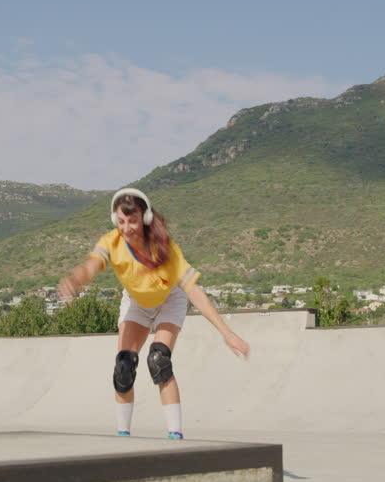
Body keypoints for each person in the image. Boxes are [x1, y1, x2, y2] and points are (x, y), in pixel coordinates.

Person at [58, 188, 250, 439]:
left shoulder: (165, 250)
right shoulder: (111, 242)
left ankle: (174, 434)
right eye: (122, 222)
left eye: (133, 221)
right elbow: (91, 266)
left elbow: (194, 291)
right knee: (124, 366)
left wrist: (227, 333)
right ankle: (123, 434)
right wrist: (75, 281)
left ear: (145, 218)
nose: (127, 228)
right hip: (136, 303)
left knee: (159, 360)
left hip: (170, 300)